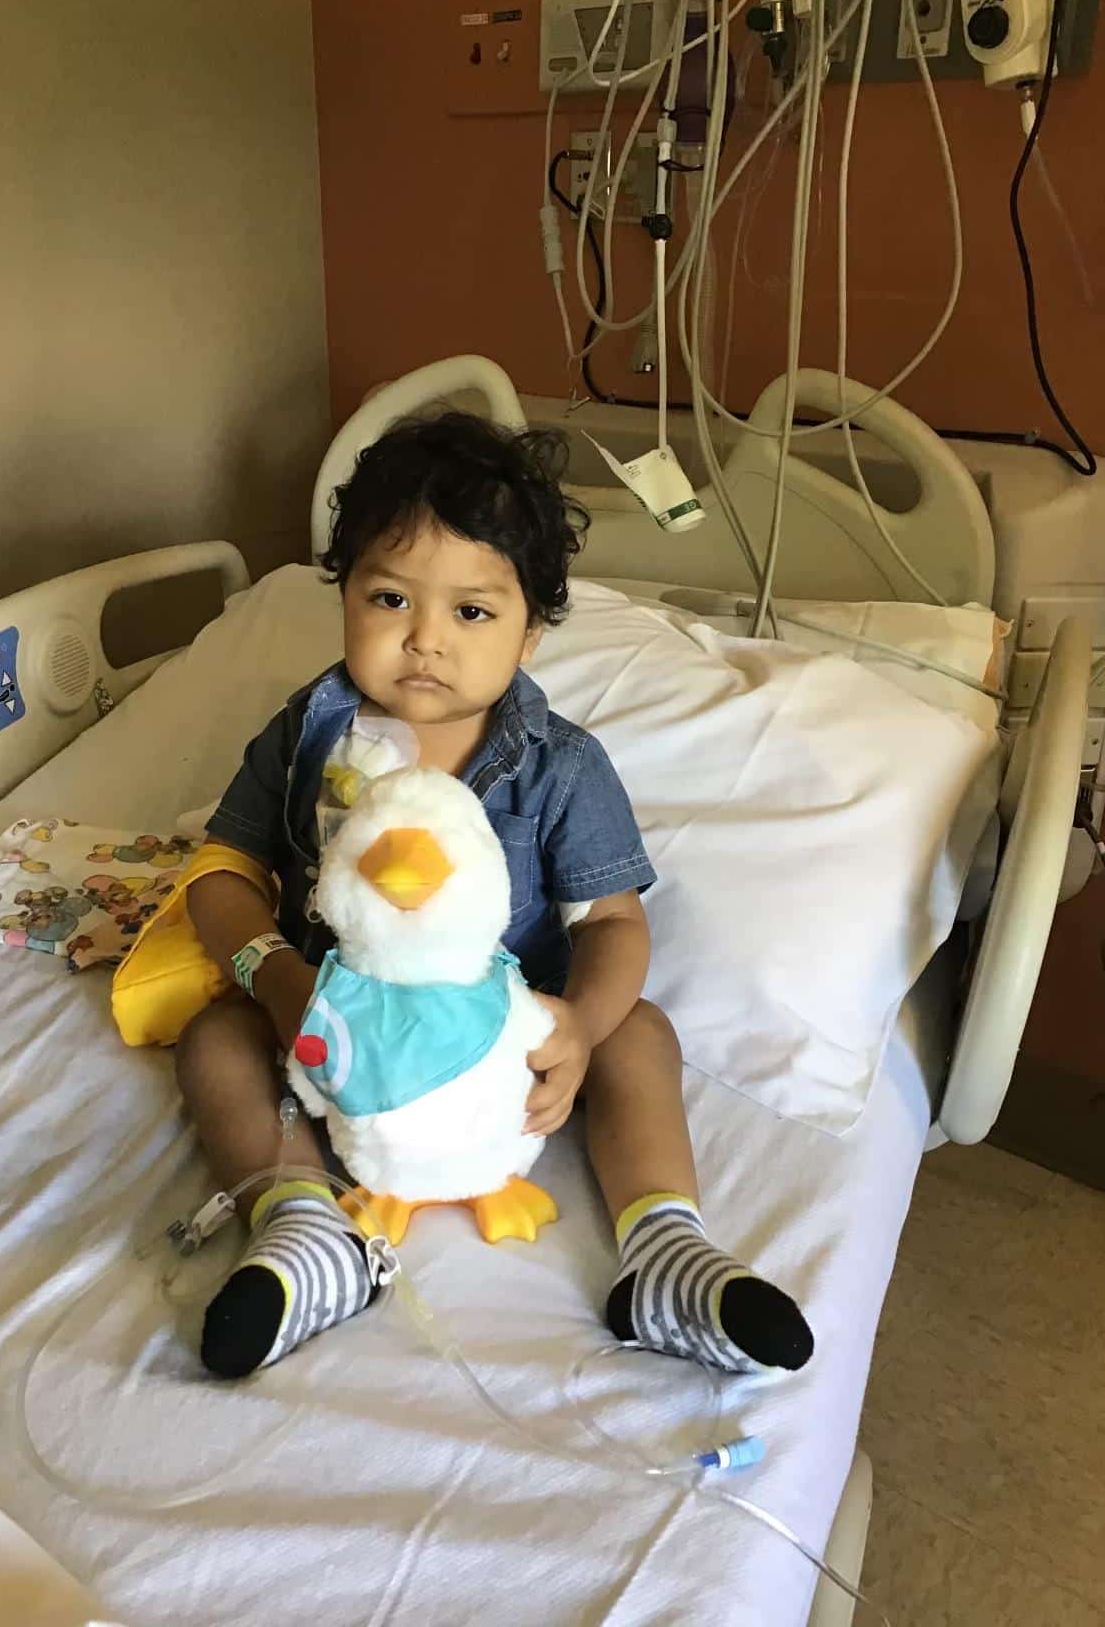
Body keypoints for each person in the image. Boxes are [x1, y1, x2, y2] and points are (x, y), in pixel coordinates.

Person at [177, 411, 813, 1380]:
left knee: (641, 1029)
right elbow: (223, 874)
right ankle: (307, 1231)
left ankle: (663, 1249)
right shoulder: (308, 737)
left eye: (471, 612)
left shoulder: (557, 767)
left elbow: (611, 921)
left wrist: (578, 1026)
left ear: (531, 633)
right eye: (390, 598)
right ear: (344, 594)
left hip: (502, 1037)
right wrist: (275, 980)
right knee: (216, 1036)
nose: (425, 640)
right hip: (335, 1024)